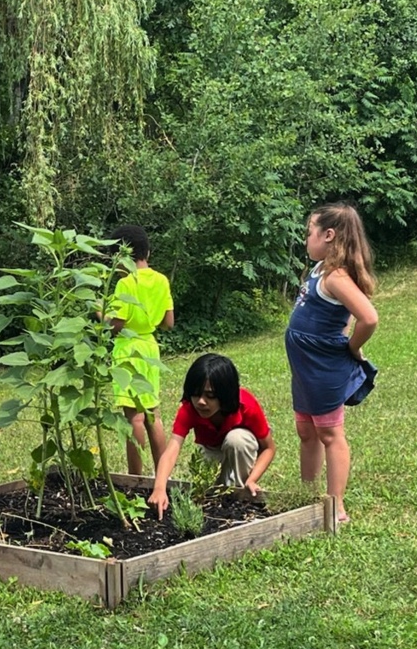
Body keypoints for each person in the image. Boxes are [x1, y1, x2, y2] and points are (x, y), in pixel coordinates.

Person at [285, 202, 378, 523]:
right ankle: (307, 496)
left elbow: (368, 317)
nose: (305, 238)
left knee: (329, 433)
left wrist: (352, 347)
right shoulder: (320, 268)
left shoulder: (336, 276)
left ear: (328, 235)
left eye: (309, 232)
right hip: (305, 369)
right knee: (306, 430)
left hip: (324, 367)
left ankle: (336, 506)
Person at [148, 354, 276, 518]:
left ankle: (240, 496)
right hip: (210, 449)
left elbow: (269, 448)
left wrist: (251, 480)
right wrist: (159, 488)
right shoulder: (188, 410)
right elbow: (172, 450)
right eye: (196, 394)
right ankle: (222, 499)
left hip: (240, 445)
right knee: (210, 492)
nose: (201, 402)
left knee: (237, 440)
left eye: (210, 396)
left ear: (226, 394)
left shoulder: (246, 405)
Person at [105, 225, 174, 475]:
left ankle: (135, 479)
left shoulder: (125, 283)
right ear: (148, 251)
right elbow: (168, 322)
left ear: (119, 257)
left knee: (133, 418)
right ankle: (163, 475)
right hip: (150, 349)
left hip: (128, 350)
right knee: (153, 413)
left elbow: (116, 325)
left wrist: (99, 313)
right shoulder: (161, 280)